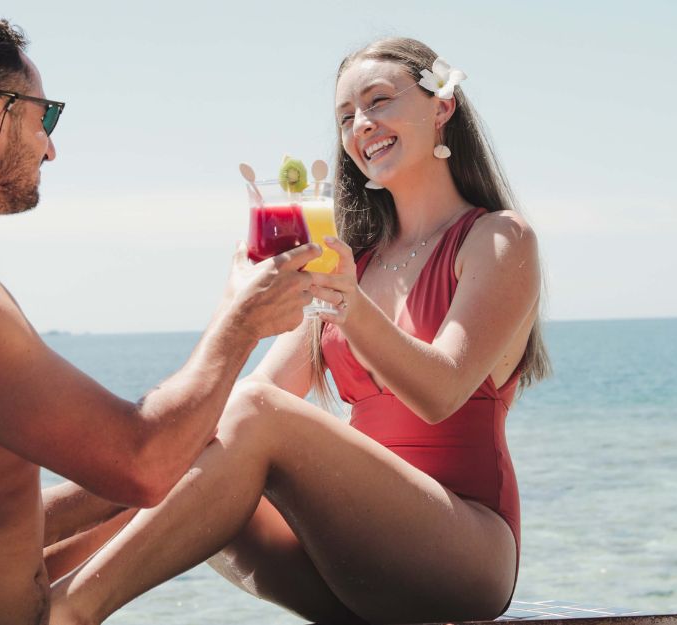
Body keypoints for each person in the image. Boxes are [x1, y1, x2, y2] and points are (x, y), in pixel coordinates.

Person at [0, 13, 321, 625]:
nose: (51, 147)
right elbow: (144, 464)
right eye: (46, 117)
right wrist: (240, 326)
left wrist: (198, 436)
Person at [49, 37, 551, 625]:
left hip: (464, 557)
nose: (361, 125)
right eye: (345, 117)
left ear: (442, 108)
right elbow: (232, 417)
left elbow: (442, 393)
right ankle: (38, 577)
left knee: (249, 412)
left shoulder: (499, 239)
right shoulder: (353, 262)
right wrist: (237, 307)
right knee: (208, 442)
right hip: (356, 561)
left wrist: (348, 302)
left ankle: (69, 610)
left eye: (379, 101)